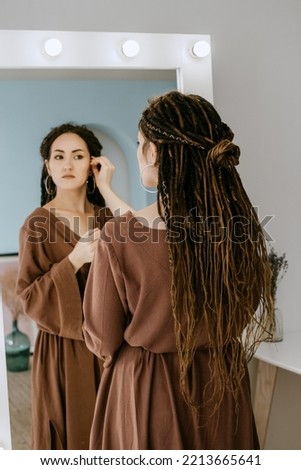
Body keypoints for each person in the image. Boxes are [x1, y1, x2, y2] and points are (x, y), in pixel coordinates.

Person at [82, 91, 273, 450]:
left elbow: (102, 338)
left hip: (149, 392)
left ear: (153, 152)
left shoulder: (119, 237)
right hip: (223, 385)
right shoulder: (241, 229)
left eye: (140, 144)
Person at [16, 122, 129, 450]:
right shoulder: (37, 223)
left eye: (78, 156)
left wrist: (107, 189)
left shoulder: (108, 218)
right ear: (47, 166)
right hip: (63, 354)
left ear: (93, 164)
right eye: (59, 156)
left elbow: (145, 247)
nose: (68, 164)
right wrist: (74, 261)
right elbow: (30, 297)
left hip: (111, 349)